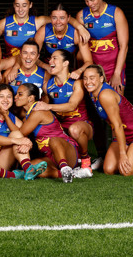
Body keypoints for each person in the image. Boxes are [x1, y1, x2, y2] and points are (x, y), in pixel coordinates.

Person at [33, 49, 93, 177]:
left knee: (74, 129)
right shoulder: (47, 86)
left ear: (65, 63)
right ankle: (64, 169)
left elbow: (71, 106)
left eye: (55, 58)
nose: (50, 61)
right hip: (62, 130)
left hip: (82, 127)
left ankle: (85, 159)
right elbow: (44, 111)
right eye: (50, 58)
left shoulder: (77, 83)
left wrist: (48, 106)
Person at [14, 83, 80, 183]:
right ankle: (71, 174)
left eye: (20, 94)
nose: (16, 97)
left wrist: (6, 115)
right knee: (31, 168)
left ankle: (64, 167)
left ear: (30, 98)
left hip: (65, 152)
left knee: (53, 140)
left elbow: (21, 133)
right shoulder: (27, 115)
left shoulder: (38, 112)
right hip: (49, 156)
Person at [0, 0, 90, 58]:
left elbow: (61, 18)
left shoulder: (38, 21)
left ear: (30, 5)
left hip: (31, 62)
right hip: (10, 62)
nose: (20, 9)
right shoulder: (3, 23)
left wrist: (80, 28)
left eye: (24, 5)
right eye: (17, 5)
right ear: (13, 5)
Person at [77, 0, 128, 93]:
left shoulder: (116, 13)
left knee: (116, 104)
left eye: (92, 0)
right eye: (86, 1)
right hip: (94, 68)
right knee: (97, 107)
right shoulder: (82, 15)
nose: (90, 4)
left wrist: (117, 73)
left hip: (114, 67)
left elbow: (124, 46)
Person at [34, 3, 93, 79]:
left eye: (62, 18)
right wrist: (46, 66)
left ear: (68, 18)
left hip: (70, 70)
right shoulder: (44, 31)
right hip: (49, 69)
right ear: (50, 18)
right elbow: (32, 57)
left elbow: (89, 61)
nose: (58, 22)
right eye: (54, 18)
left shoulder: (75, 33)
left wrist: (79, 71)